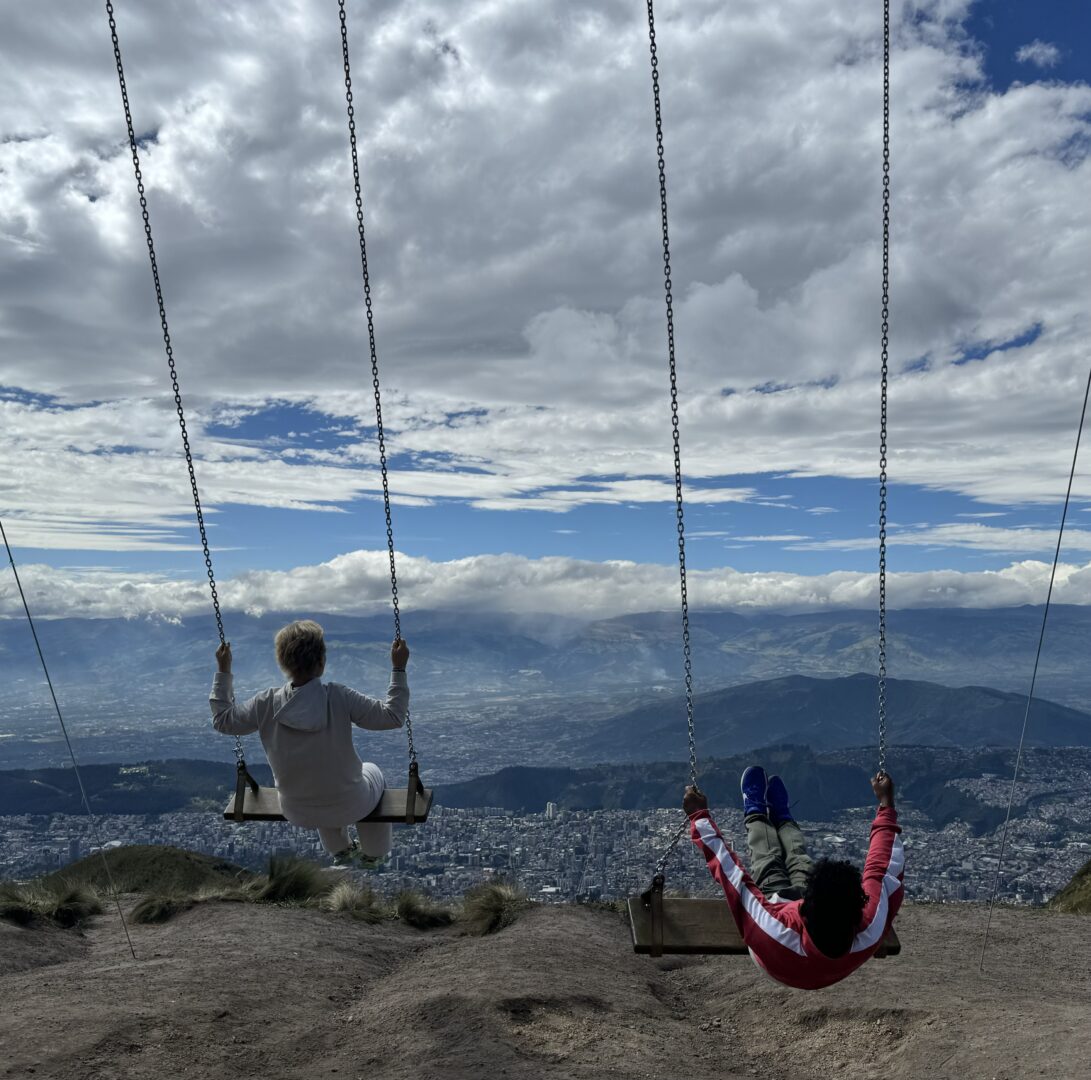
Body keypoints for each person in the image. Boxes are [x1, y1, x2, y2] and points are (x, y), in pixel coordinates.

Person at [210, 619, 410, 868]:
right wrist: (398, 669)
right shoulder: (338, 696)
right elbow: (393, 716)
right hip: (351, 804)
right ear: (322, 661)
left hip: (297, 810)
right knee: (372, 771)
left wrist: (223, 670)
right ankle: (374, 852)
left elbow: (222, 720)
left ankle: (340, 850)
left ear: (282, 663)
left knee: (316, 780)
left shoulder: (265, 703)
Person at [683, 766, 903, 990]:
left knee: (767, 860)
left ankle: (755, 810)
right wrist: (886, 802)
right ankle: (783, 816)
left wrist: (698, 816)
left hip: (776, 962)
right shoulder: (870, 923)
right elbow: (882, 866)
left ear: (805, 904)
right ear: (860, 908)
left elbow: (733, 876)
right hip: (830, 967)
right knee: (799, 859)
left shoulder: (773, 929)